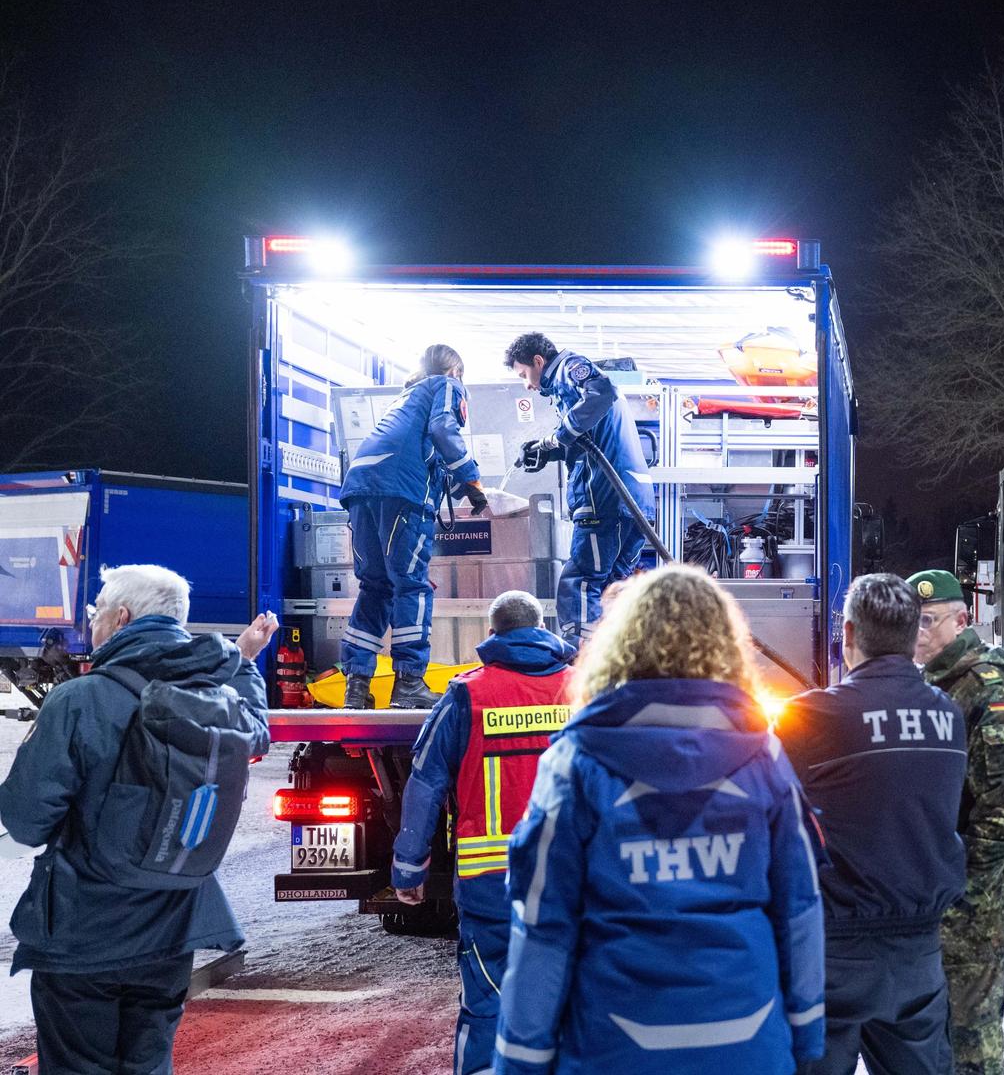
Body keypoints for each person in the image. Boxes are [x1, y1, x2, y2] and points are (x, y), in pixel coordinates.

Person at [493, 565, 824, 1074]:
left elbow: (543, 927)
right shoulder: (764, 757)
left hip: (614, 1048)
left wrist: (520, 1060)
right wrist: (806, 1037)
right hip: (749, 1045)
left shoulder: (576, 762)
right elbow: (799, 909)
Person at [0, 565, 278, 1075]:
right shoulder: (215, 697)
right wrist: (242, 661)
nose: (92, 624)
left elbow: (25, 821)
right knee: (149, 1064)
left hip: (84, 934)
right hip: (171, 932)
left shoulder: (79, 699)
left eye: (98, 612)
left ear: (121, 618)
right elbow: (257, 730)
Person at [779, 574, 968, 1075]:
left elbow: (768, 824)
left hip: (833, 950)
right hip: (919, 952)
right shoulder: (949, 716)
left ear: (848, 633)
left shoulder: (809, 716)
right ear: (912, 637)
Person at [388, 591, 576, 1074]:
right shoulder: (583, 690)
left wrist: (409, 868)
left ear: (492, 634)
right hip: (569, 878)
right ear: (543, 629)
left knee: (488, 999)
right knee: (573, 999)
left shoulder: (467, 694)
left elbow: (426, 780)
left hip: (489, 879)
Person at [908, 569, 1004, 1075]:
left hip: (971, 914)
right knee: (937, 1050)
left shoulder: (986, 691)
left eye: (929, 621)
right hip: (944, 912)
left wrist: (960, 888)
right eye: (911, 623)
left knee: (972, 1055)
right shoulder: (938, 687)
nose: (919, 633)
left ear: (962, 620)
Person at [338, 343, 489, 709]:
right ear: (455, 371)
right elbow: (443, 428)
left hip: (360, 488)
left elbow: (425, 456)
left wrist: (458, 485)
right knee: (412, 586)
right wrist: (473, 480)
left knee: (375, 586)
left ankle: (356, 687)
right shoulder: (446, 384)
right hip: (400, 494)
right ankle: (408, 683)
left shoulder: (405, 398)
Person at [504, 331, 657, 645]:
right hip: (633, 501)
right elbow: (589, 441)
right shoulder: (567, 391)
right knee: (613, 586)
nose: (528, 385)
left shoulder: (568, 368)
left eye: (524, 375)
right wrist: (550, 450)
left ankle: (579, 661)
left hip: (604, 499)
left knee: (580, 581)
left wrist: (558, 437)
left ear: (538, 361)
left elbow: (603, 393)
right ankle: (616, 657)